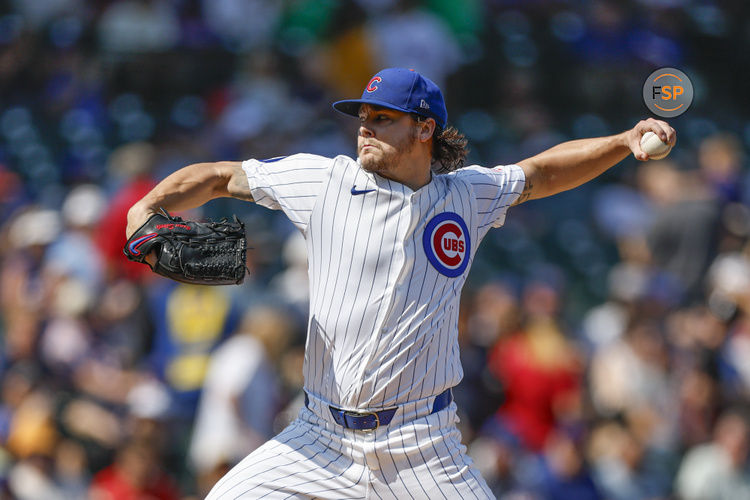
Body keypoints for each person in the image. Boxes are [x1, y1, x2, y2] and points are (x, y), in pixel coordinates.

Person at [126, 67, 676, 498]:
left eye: (382, 117)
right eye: (362, 115)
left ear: (424, 128)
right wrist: (149, 205)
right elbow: (222, 175)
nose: (364, 126)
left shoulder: (467, 194)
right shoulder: (327, 181)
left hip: (421, 443)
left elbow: (540, 172)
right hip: (320, 433)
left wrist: (624, 139)